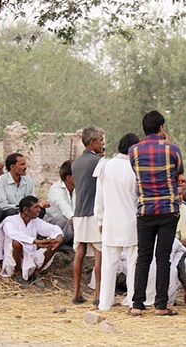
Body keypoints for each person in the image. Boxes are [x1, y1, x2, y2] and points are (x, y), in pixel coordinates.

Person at [129, 111, 184, 317]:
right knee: (163, 258)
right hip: (168, 210)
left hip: (145, 210)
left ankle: (137, 304)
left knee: (143, 257)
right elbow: (178, 173)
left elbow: (136, 173)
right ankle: (161, 305)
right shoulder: (173, 150)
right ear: (161, 128)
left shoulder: (133, 151)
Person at [95, 133, 140, 311]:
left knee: (109, 264)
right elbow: (138, 197)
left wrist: (99, 218)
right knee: (133, 264)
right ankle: (131, 300)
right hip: (132, 222)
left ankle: (104, 303)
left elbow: (99, 197)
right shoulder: (135, 168)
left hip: (110, 222)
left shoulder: (105, 165)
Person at [0, 196, 62, 288]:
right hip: (13, 261)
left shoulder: (35, 221)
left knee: (56, 242)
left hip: (32, 260)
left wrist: (58, 236)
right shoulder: (10, 221)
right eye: (36, 207)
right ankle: (17, 274)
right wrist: (35, 241)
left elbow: (53, 228)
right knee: (16, 243)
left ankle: (37, 273)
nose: (39, 210)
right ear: (26, 210)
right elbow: (13, 234)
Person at [71, 125, 105, 306]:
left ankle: (76, 291)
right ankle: (98, 294)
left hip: (79, 212)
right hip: (94, 212)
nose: (102, 144)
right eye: (100, 140)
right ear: (92, 143)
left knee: (80, 251)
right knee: (99, 253)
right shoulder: (99, 162)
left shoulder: (76, 163)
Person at [0, 153, 46, 218]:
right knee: (12, 212)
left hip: (25, 211)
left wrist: (39, 204)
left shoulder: (28, 180)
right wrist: (19, 207)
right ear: (12, 167)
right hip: (10, 213)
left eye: (25, 164)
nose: (25, 167)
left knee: (41, 210)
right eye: (22, 164)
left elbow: (32, 200)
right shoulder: (2, 180)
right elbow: (1, 204)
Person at [45, 160, 75, 247]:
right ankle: (53, 242)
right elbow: (62, 204)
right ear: (69, 177)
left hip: (69, 227)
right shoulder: (56, 188)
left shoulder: (78, 189)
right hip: (53, 224)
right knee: (64, 218)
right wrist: (72, 218)